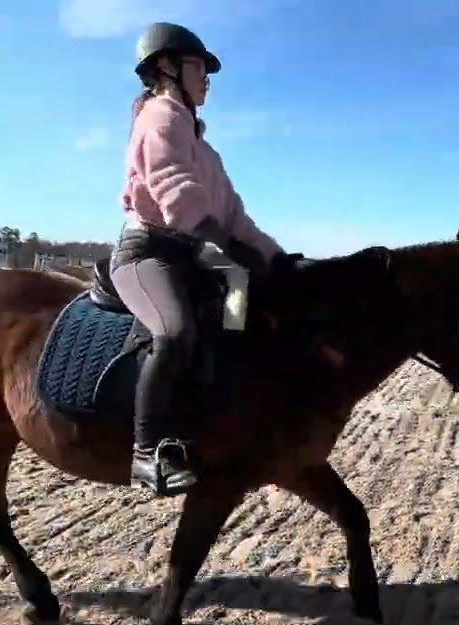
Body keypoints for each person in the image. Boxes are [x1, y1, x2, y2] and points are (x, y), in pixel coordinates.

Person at [111, 21, 295, 495]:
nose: (207, 79)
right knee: (174, 331)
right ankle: (147, 451)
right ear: (166, 67)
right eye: (200, 68)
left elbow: (237, 219)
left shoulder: (207, 151)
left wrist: (280, 261)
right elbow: (173, 186)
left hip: (193, 250)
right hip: (147, 252)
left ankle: (220, 411)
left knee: (242, 308)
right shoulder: (159, 116)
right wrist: (215, 239)